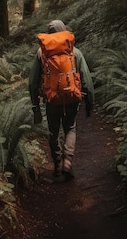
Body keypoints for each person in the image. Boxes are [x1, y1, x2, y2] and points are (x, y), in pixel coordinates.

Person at [29, 19, 94, 181]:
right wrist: (89, 102)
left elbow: (32, 83)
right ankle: (67, 160)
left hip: (52, 100)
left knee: (53, 131)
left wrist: (35, 105)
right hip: (72, 98)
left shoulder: (41, 53)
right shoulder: (75, 52)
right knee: (70, 128)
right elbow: (86, 79)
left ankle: (57, 164)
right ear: (64, 31)